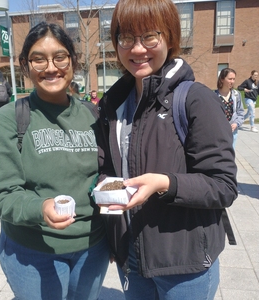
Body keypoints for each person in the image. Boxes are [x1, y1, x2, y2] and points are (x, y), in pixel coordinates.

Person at [97, 1, 238, 300]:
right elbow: (107, 168)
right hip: (132, 260)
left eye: (149, 36)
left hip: (184, 266)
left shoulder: (194, 99)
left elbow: (223, 186)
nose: (137, 49)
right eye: (126, 38)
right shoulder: (113, 104)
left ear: (170, 38)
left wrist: (165, 183)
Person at [0, 22, 109, 300]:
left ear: (73, 61)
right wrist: (40, 208)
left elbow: (105, 174)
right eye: (38, 59)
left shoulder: (94, 115)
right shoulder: (7, 121)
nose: (51, 67)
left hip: (93, 247)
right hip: (33, 250)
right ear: (26, 66)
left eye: (60, 57)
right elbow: (1, 196)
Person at [215, 68, 244, 148]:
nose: (232, 81)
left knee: (230, 156)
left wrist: (236, 123)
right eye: (230, 79)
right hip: (218, 133)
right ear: (222, 79)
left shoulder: (236, 95)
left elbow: (240, 113)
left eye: (234, 79)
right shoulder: (214, 96)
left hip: (232, 132)